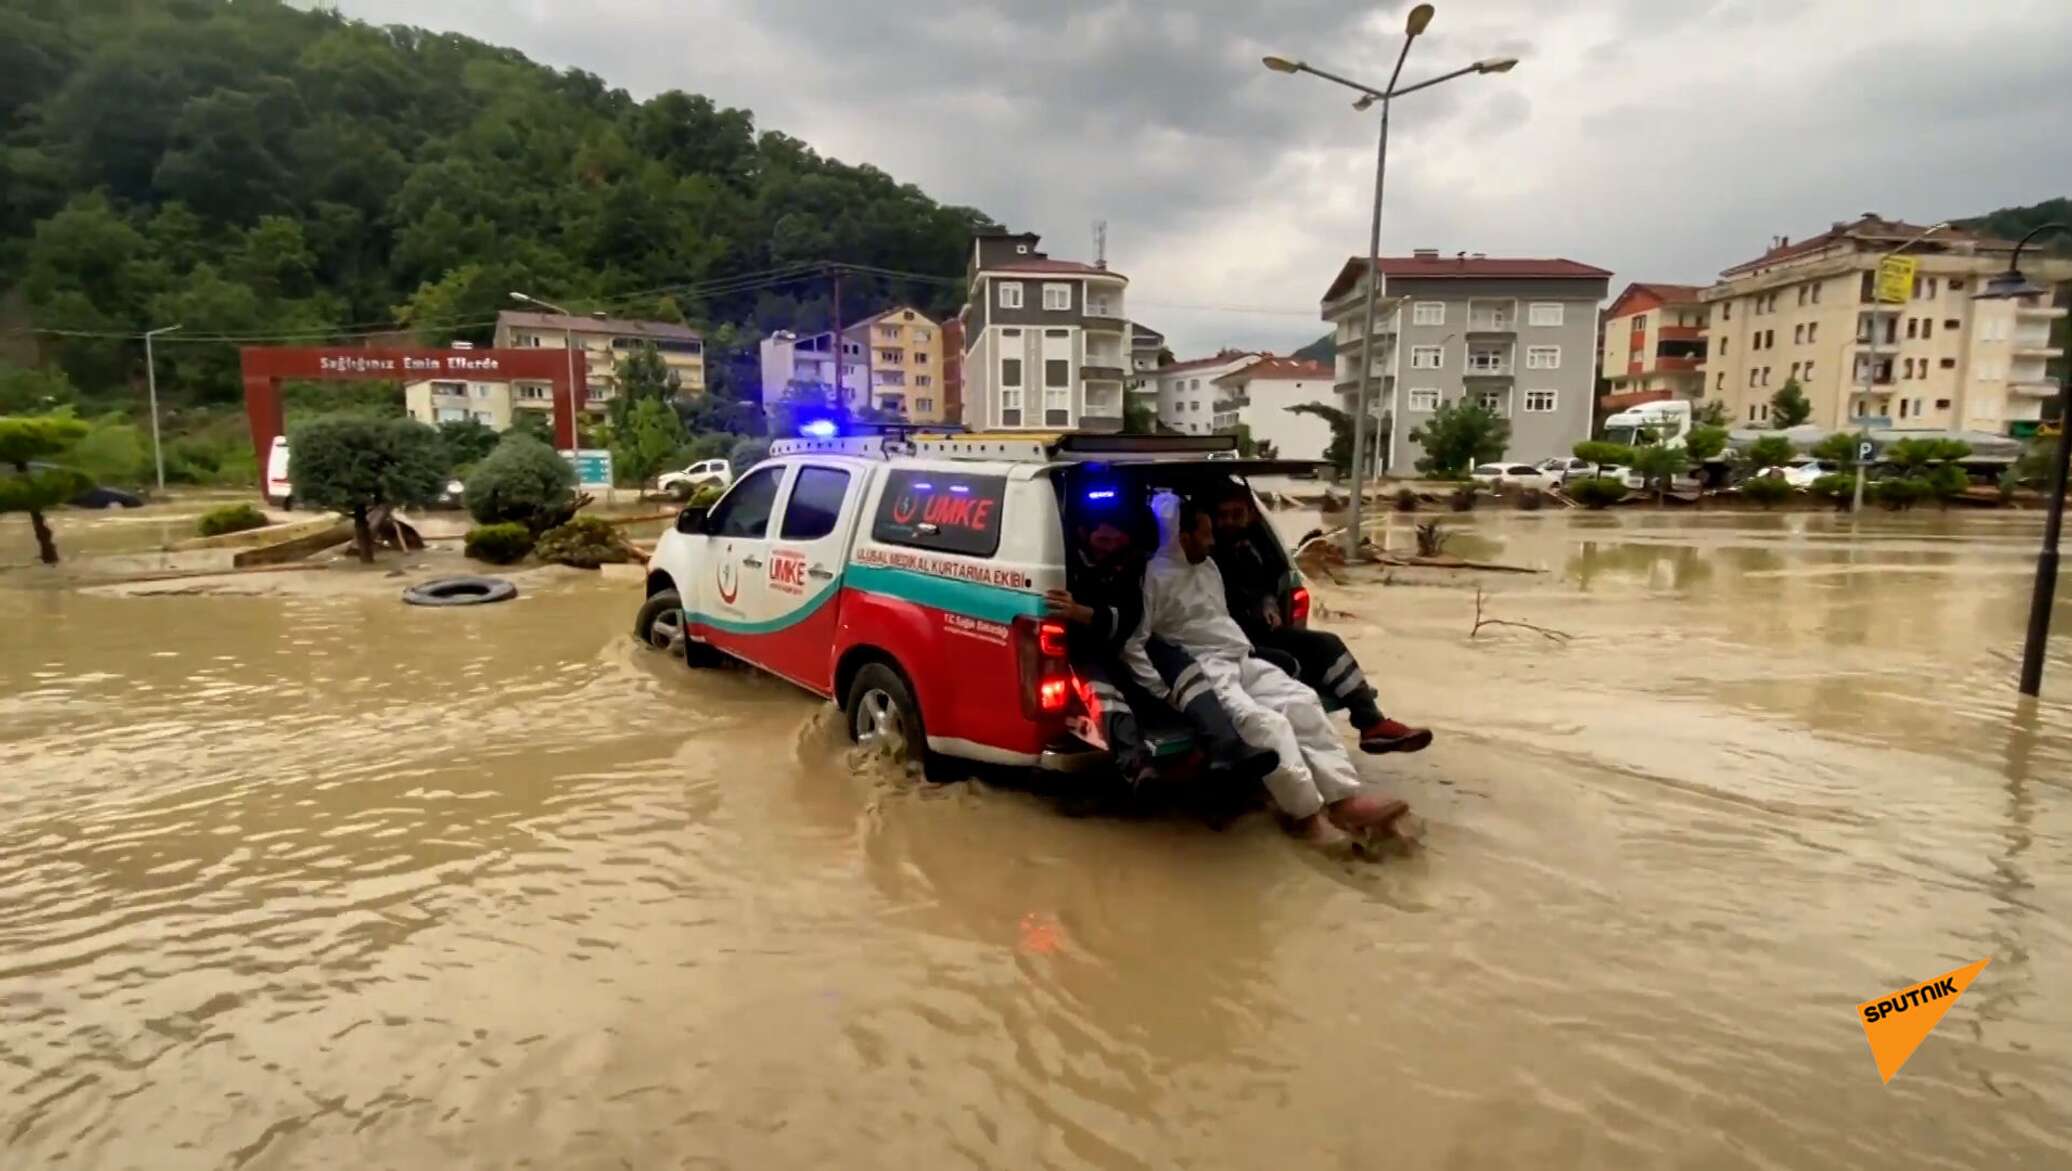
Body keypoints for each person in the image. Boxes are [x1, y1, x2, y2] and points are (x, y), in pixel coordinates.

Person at [1124, 497, 1409, 845]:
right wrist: (1162, 692)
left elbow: (1222, 618)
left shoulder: (1209, 567)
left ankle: (1345, 801)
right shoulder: (1151, 579)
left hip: (1241, 657)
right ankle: (1306, 816)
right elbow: (1134, 642)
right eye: (1205, 534)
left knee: (1302, 701)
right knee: (1266, 725)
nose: (1212, 541)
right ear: (1181, 537)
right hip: (1205, 670)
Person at [1044, 511, 1275, 789]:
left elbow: (1129, 619)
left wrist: (1081, 612)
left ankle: (1225, 744)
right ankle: (1137, 765)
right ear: (1083, 535)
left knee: (1182, 664)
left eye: (1116, 538)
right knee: (1103, 693)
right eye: (1102, 538)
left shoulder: (1134, 565)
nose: (1110, 545)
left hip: (1125, 640)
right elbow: (1075, 624)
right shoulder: (1065, 565)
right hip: (1085, 649)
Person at [1209, 481, 1433, 755]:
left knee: (1327, 644)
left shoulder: (1256, 547)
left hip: (1259, 633)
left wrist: (1268, 601)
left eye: (1237, 514)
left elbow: (1272, 578)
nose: (1229, 522)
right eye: (1222, 515)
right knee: (1289, 666)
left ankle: (1371, 722)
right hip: (1225, 645)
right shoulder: (1202, 554)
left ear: (1251, 515)